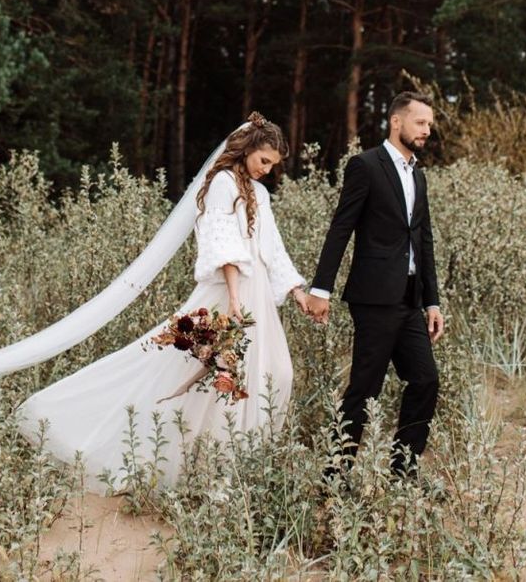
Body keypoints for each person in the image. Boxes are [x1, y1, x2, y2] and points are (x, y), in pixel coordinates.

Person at [17, 113, 310, 492]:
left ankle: (235, 465)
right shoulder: (223, 183)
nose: (267, 170)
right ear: (247, 149)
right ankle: (214, 474)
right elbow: (225, 246)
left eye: (273, 165)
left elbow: (271, 248)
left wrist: (296, 290)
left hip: (256, 299)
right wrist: (235, 298)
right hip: (229, 294)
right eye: (263, 160)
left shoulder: (261, 194)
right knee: (210, 377)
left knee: (274, 374)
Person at [305, 92, 445, 478]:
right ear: (396, 122)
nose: (427, 131)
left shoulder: (418, 174)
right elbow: (341, 228)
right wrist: (321, 289)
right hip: (373, 298)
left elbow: (424, 239)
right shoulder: (365, 165)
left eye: (429, 124)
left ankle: (403, 473)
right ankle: (334, 477)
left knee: (425, 379)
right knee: (364, 389)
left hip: (411, 299)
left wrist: (432, 302)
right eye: (420, 123)